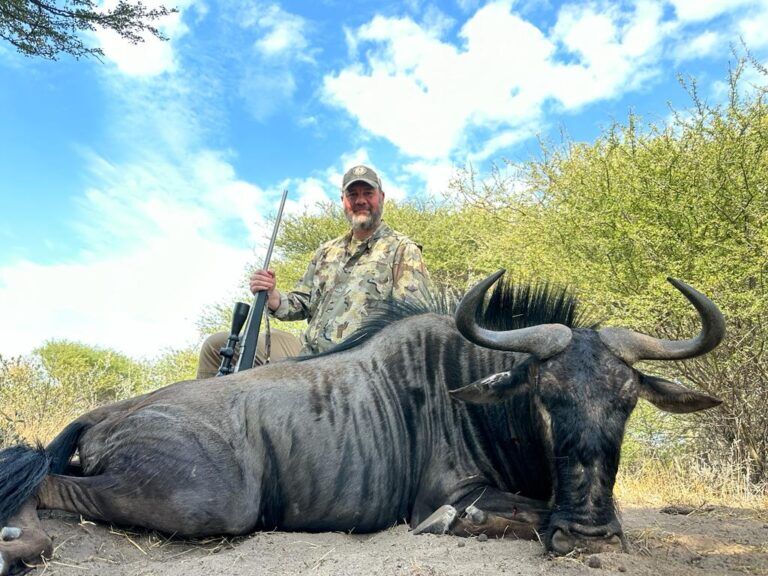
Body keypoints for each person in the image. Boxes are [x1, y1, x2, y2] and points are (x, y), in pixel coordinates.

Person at [196, 164, 432, 378]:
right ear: (343, 200)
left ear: (381, 197)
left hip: (357, 363)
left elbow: (413, 321)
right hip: (306, 353)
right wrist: (274, 297)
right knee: (217, 346)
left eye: (367, 193)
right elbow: (301, 303)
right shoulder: (326, 252)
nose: (360, 200)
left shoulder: (402, 249)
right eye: (353, 194)